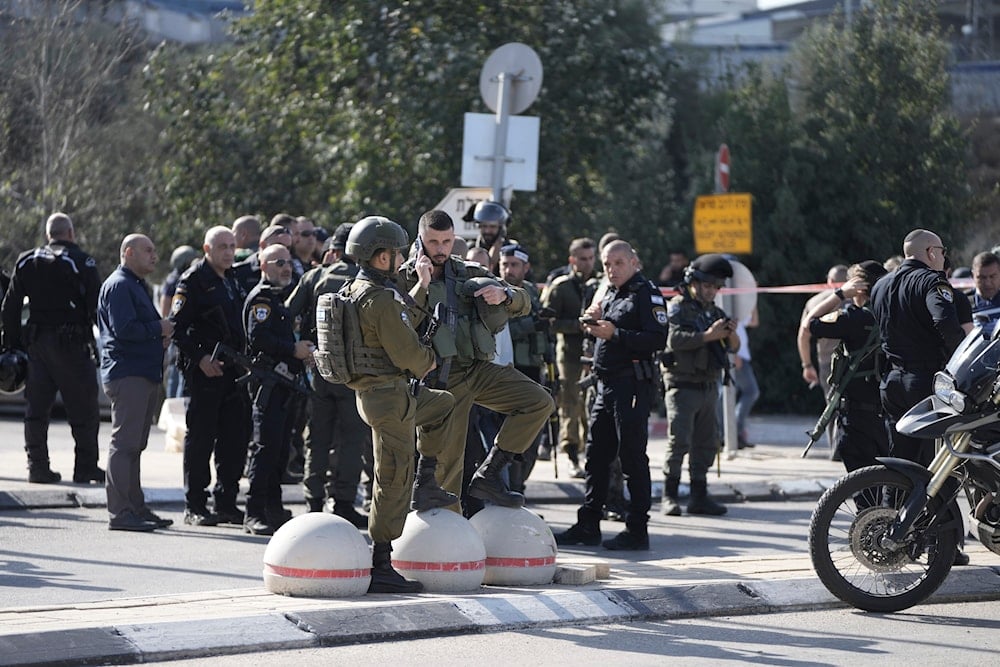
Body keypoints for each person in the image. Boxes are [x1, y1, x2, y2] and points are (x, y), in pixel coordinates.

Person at [398, 209, 553, 508]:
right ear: (420, 240)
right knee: (447, 469)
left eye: (446, 241)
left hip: (478, 369)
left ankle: (491, 474)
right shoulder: (405, 277)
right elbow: (399, 321)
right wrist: (422, 284)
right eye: (434, 242)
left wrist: (504, 294)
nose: (441, 249)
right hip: (440, 379)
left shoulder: (467, 272)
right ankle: (444, 536)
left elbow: (524, 302)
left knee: (539, 402)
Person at [342, 215, 458, 593]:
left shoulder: (361, 290)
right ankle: (381, 562)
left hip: (385, 396)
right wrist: (429, 359)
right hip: (389, 400)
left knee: (443, 405)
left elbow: (403, 316)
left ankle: (428, 481)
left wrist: (421, 290)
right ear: (379, 258)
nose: (399, 259)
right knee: (393, 478)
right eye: (394, 253)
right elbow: (411, 353)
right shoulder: (378, 300)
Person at [553, 240, 667, 550]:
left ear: (634, 262)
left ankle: (637, 529)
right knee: (596, 456)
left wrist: (615, 333)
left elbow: (658, 338)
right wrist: (593, 322)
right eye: (607, 264)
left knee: (631, 456)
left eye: (618, 263)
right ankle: (588, 523)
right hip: (605, 383)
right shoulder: (610, 292)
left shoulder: (646, 293)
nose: (611, 269)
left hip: (631, 385)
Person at [869, 229, 968, 566]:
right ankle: (938, 545)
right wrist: (961, 366)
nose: (943, 257)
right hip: (925, 382)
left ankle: (884, 532)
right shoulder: (931, 282)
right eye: (941, 251)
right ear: (929, 252)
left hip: (891, 381)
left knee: (900, 459)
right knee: (935, 465)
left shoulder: (881, 284)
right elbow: (946, 323)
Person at [1, 212, 103, 484]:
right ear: (70, 233)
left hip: (37, 346)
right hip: (72, 345)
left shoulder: (26, 260)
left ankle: (37, 466)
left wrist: (14, 345)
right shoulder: (82, 261)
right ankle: (85, 467)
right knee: (84, 408)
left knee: (36, 409)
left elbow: (9, 308)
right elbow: (97, 307)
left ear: (48, 235)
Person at [285, 223, 372, 527]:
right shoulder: (369, 280)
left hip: (319, 370)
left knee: (317, 438)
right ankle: (344, 502)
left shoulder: (314, 276)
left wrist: (300, 348)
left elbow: (287, 312)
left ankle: (313, 501)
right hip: (356, 373)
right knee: (352, 439)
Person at [169, 226, 250, 527]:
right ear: (207, 249)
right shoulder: (193, 281)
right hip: (205, 372)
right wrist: (200, 358)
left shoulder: (232, 279)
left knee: (234, 439)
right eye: (222, 247)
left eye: (232, 246)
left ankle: (227, 502)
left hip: (233, 372)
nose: (228, 252)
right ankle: (195, 505)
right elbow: (177, 328)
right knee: (201, 438)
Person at [98, 234, 175, 531]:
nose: (154, 256)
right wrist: (160, 327)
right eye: (148, 251)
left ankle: (135, 507)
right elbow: (124, 329)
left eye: (155, 251)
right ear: (128, 253)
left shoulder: (134, 285)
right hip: (128, 374)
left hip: (141, 372)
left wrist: (160, 336)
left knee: (134, 446)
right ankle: (120, 513)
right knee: (124, 445)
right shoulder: (119, 285)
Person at [659, 254, 740, 517]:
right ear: (693, 283)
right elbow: (674, 340)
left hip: (708, 386)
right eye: (707, 286)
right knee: (679, 442)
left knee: (706, 444)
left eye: (716, 287)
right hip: (683, 385)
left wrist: (730, 333)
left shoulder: (715, 312)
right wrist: (709, 335)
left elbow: (733, 348)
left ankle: (699, 495)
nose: (711, 291)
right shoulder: (678, 307)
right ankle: (669, 495)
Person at [242, 244, 315, 535]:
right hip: (268, 386)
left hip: (286, 386)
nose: (286, 267)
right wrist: (292, 349)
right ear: (263, 266)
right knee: (265, 449)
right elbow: (258, 338)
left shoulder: (279, 299)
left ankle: (273, 509)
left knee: (280, 451)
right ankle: (254, 511)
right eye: (278, 262)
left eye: (288, 262)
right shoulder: (262, 300)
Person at [801, 260, 889, 472]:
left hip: (857, 418)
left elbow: (810, 324)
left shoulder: (854, 318)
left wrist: (839, 294)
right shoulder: (894, 316)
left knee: (863, 491)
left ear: (857, 286)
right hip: (887, 416)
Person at [540, 237, 597, 477]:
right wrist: (578, 326)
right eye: (583, 259)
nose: (588, 263)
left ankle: (590, 454)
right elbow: (547, 322)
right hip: (569, 356)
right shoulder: (561, 287)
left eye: (591, 258)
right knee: (570, 405)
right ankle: (572, 454)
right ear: (572, 260)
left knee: (590, 406)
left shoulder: (598, 286)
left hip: (593, 355)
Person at [498, 244, 548, 495]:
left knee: (531, 436)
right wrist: (532, 323)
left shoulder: (530, 292)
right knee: (509, 433)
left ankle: (518, 487)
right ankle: (505, 486)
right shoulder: (495, 292)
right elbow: (503, 331)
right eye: (504, 264)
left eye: (514, 265)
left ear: (526, 268)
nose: (508, 270)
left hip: (532, 366)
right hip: (508, 368)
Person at [797, 264, 849, 457]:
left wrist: (807, 364)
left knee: (832, 404)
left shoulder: (815, 303)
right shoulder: (858, 299)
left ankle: (835, 449)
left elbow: (803, 335)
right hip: (855, 358)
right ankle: (845, 448)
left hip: (827, 362)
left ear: (828, 281)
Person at [160, 245, 199, 399]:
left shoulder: (173, 278)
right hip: (178, 331)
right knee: (176, 370)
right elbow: (166, 306)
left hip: (176, 329)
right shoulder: (177, 279)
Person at [232, 224, 293, 297]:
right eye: (278, 245)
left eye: (288, 248)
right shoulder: (240, 273)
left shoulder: (292, 273)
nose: (283, 250)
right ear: (263, 245)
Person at [466, 200, 510, 274]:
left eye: (492, 227)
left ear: (500, 228)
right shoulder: (470, 248)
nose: (487, 231)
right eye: (484, 226)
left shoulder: (509, 249)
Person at [970, 251, 1000, 328]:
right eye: (982, 277)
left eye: (992, 276)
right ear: (973, 275)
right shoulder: (963, 303)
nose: (987, 283)